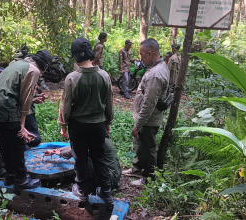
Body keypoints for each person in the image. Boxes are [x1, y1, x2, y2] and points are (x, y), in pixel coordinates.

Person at [0, 50, 52, 191]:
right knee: (18, 141)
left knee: (4, 140)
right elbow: (25, 100)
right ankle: (21, 178)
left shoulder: (19, 63)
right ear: (44, 65)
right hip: (5, 103)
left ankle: (10, 175)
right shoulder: (33, 70)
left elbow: (14, 89)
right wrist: (22, 125)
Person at [58, 38, 114, 204]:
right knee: (99, 157)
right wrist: (108, 121)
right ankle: (106, 191)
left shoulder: (72, 78)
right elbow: (109, 102)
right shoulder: (104, 76)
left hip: (78, 126)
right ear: (91, 53)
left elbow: (65, 104)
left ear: (75, 56)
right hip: (98, 125)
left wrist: (63, 124)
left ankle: (81, 190)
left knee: (80, 158)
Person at [122, 38, 169, 186]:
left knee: (148, 148)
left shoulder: (156, 74)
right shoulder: (159, 66)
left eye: (142, 54)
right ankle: (137, 168)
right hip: (147, 118)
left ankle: (148, 178)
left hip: (149, 119)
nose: (140, 57)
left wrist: (138, 124)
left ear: (149, 53)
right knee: (140, 144)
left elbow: (149, 103)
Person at [43, 134, 121, 192]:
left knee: (82, 158)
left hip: (109, 180)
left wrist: (60, 153)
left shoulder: (94, 141)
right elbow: (76, 147)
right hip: (115, 176)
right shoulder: (100, 137)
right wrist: (58, 151)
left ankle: (84, 188)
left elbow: (77, 150)